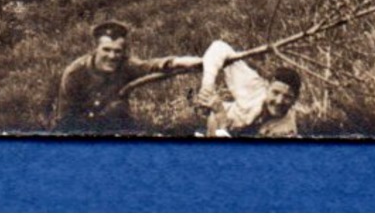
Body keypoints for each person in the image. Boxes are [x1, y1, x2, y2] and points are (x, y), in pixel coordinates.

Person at [52, 20, 199, 134]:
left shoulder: (126, 64)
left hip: (119, 126)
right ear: (95, 49)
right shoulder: (75, 73)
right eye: (106, 50)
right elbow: (65, 120)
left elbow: (150, 66)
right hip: (83, 131)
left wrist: (179, 62)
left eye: (118, 51)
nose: (112, 56)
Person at [194, 39, 302, 137]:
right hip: (217, 127)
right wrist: (207, 87)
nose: (279, 101)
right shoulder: (253, 86)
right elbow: (219, 48)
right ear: (266, 86)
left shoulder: (286, 131)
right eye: (275, 92)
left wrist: (222, 119)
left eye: (287, 97)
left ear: (295, 100)